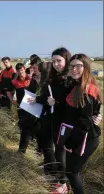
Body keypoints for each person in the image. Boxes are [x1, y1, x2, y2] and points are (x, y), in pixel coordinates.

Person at [28, 47, 72, 193]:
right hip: (55, 119)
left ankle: (63, 183)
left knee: (62, 152)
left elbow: (79, 99)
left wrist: (96, 113)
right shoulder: (55, 78)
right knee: (58, 150)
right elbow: (49, 96)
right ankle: (60, 180)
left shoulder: (71, 79)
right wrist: (43, 100)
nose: (56, 64)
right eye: (53, 61)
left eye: (59, 61)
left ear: (67, 60)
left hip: (67, 122)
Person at [59, 54, 102, 194]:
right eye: (72, 66)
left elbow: (84, 123)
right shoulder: (77, 85)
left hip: (85, 138)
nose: (74, 69)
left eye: (79, 66)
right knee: (70, 170)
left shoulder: (87, 89)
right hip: (79, 136)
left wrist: (71, 144)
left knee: (72, 171)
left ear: (86, 67)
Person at [11, 63, 40, 154]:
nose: (20, 71)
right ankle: (22, 150)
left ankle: (38, 149)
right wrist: (12, 99)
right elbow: (9, 91)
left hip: (33, 106)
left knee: (35, 128)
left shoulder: (31, 79)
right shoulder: (14, 81)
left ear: (24, 69)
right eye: (18, 70)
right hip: (22, 107)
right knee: (24, 127)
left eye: (22, 69)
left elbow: (37, 93)